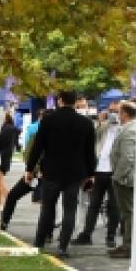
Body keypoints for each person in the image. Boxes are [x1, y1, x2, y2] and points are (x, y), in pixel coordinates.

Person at [24, 90, 96, 258]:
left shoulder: (48, 120)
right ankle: (63, 246)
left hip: (52, 171)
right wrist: (91, 174)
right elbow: (89, 152)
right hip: (75, 172)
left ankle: (39, 242)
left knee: (47, 208)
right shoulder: (85, 123)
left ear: (60, 101)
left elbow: (37, 147)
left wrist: (30, 169)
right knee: (70, 209)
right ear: (75, 102)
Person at [74, 101, 122, 248]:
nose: (113, 114)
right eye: (111, 111)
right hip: (99, 171)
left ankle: (111, 236)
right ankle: (86, 234)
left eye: (116, 111)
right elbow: (94, 141)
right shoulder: (103, 127)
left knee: (113, 206)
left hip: (114, 172)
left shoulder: (124, 129)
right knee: (93, 204)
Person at [108, 102, 136, 258]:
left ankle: (128, 245)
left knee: (128, 213)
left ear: (125, 114)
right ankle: (128, 244)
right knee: (128, 212)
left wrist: (118, 176)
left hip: (126, 178)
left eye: (119, 112)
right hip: (126, 176)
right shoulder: (130, 128)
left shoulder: (130, 130)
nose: (117, 115)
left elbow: (127, 157)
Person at [0, 110, 21, 210]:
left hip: (1, 158)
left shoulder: (7, 129)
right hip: (3, 158)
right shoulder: (9, 128)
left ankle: (10, 200)